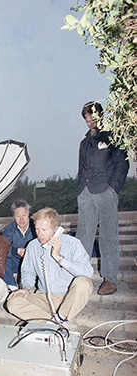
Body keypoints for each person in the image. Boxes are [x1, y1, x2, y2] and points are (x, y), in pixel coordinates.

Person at [76, 102, 129, 295]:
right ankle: (79, 277)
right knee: (83, 237)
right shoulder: (84, 143)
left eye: (94, 119)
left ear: (101, 116)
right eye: (87, 120)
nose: (91, 123)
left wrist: (113, 189)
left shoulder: (112, 137)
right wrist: (81, 190)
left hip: (106, 192)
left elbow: (122, 164)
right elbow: (81, 169)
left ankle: (110, 279)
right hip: (86, 194)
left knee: (108, 236)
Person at [7, 207, 93, 325]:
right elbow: (28, 271)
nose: (39, 234)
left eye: (44, 229)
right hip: (44, 297)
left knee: (84, 283)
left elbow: (87, 273)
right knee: (12, 302)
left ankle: (60, 317)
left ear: (55, 229)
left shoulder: (73, 244)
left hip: (67, 297)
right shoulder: (33, 246)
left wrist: (59, 258)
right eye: (37, 229)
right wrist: (26, 288)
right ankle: (52, 323)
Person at [3, 199, 36, 291]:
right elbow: (2, 248)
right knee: (3, 258)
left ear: (29, 215)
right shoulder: (9, 229)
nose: (21, 219)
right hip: (15, 263)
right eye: (18, 215)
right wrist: (17, 250)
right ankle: (12, 287)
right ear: (14, 216)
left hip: (31, 262)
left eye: (24, 215)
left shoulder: (36, 226)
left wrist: (28, 251)